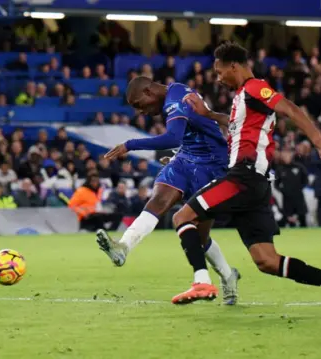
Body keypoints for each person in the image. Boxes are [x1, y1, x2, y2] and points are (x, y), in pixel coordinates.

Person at [177, 42, 321, 314]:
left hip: (244, 178)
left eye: (219, 71)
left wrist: (319, 142)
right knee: (267, 261)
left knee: (182, 217)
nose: (218, 77)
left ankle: (202, 281)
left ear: (234, 66)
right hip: (255, 183)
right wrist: (208, 115)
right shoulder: (242, 96)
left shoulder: (254, 87)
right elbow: (236, 125)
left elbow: (289, 108)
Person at [96, 76, 240, 305]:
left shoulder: (176, 98)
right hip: (186, 158)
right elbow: (186, 135)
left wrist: (129, 145)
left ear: (148, 91)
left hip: (212, 165)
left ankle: (228, 274)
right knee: (158, 199)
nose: (140, 112)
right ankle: (123, 247)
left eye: (138, 104)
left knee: (200, 237)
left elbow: (173, 136)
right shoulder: (173, 97)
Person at [275, 148, 309, 227]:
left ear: (291, 155)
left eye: (288, 154)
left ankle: (305, 232)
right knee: (287, 218)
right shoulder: (280, 169)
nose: (286, 157)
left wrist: (300, 188)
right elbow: (276, 184)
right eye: (284, 155)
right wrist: (283, 190)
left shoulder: (299, 167)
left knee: (302, 217)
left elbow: (306, 180)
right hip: (287, 198)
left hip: (299, 196)